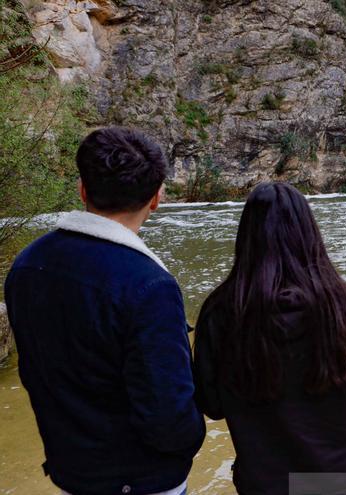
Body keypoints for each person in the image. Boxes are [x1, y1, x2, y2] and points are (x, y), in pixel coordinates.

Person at [3, 127, 205, 495]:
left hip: (70, 471)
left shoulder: (27, 265)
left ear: (82, 189)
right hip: (141, 481)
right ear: (156, 198)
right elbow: (169, 420)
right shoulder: (149, 285)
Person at [193, 182, 346, 495]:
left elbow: (212, 406)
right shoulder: (340, 301)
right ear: (309, 233)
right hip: (342, 473)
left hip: (266, 478)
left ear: (247, 237)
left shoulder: (221, 310)